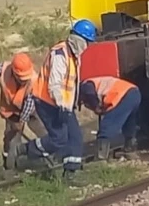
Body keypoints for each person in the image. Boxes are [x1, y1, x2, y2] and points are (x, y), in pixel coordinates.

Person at [27, 19, 98, 181]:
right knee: (59, 139)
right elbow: (54, 85)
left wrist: (72, 102)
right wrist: (63, 106)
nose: (87, 47)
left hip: (62, 105)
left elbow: (71, 83)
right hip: (48, 103)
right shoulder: (60, 54)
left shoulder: (73, 55)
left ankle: (71, 173)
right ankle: (25, 150)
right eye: (87, 42)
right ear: (79, 39)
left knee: (75, 137)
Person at [0, 52, 45, 170]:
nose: (24, 81)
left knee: (44, 132)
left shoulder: (34, 80)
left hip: (33, 108)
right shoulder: (4, 69)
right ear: (14, 72)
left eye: (25, 78)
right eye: (21, 78)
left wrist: (22, 121)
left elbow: (29, 104)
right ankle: (10, 168)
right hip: (11, 110)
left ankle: (50, 157)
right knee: (11, 139)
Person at [78, 76, 141, 160]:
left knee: (107, 125)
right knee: (129, 123)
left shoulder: (85, 85)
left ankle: (101, 156)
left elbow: (89, 93)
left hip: (122, 95)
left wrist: (96, 106)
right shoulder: (96, 83)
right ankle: (130, 148)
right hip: (135, 93)